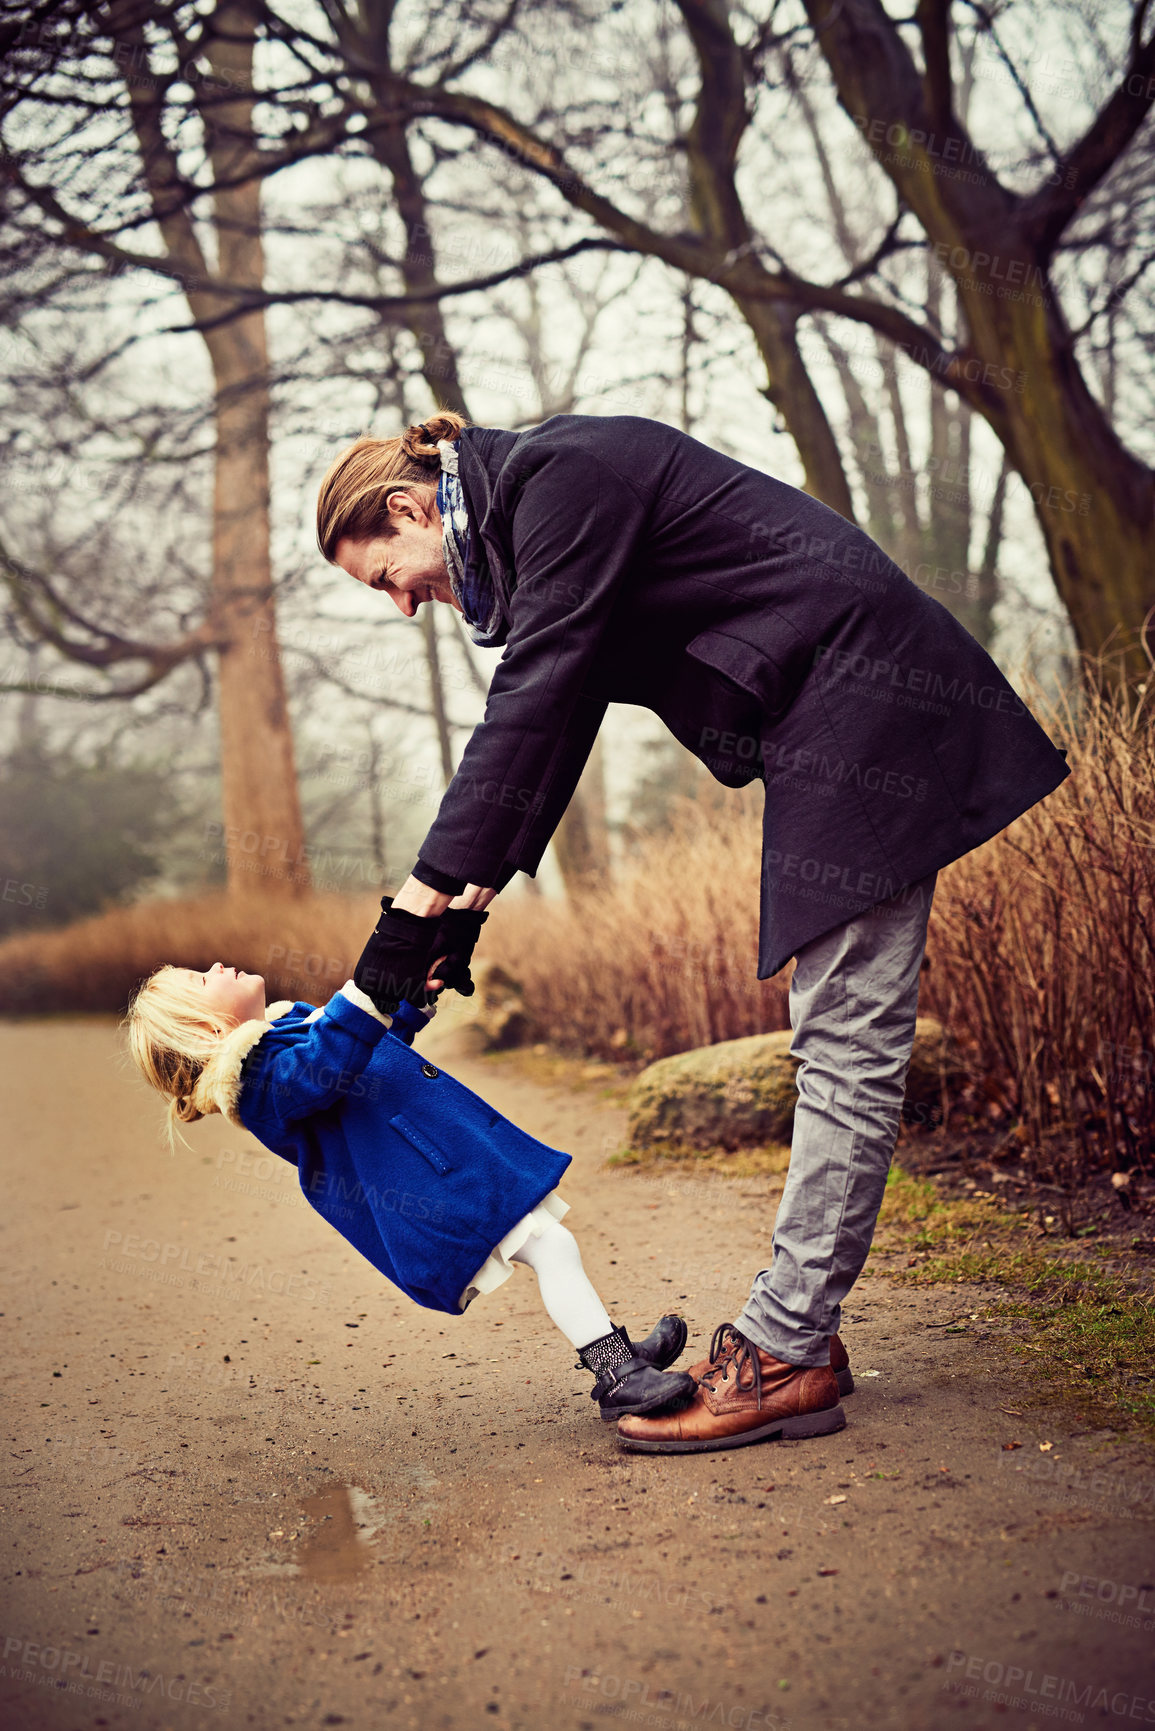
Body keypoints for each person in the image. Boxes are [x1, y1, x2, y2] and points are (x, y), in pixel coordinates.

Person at [315, 410, 1071, 1454]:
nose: (403, 604)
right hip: (833, 710)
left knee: (845, 1034)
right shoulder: (537, 509)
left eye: (386, 574)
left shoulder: (557, 479)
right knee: (840, 1028)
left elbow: (532, 699)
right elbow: (559, 722)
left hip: (867, 699)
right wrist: (462, 914)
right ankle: (800, 1337)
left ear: (408, 508)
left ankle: (789, 1351)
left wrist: (410, 909)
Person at [124, 959, 696, 1424]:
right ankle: (619, 1375)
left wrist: (408, 997)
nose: (218, 966)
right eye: (204, 979)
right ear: (208, 1030)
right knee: (553, 1247)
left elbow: (367, 1043)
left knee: (554, 1246)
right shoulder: (262, 1085)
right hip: (429, 1184)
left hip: (443, 1164)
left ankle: (618, 1360)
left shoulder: (285, 1035)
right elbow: (334, 1054)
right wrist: (365, 986)